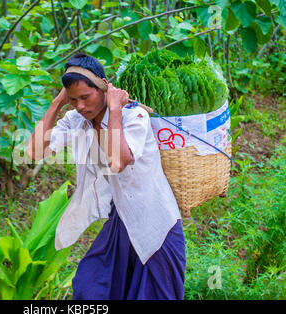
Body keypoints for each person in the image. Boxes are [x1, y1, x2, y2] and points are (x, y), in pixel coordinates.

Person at [26, 53, 186, 300]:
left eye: (85, 97)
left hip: (156, 226)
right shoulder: (76, 120)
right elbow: (34, 151)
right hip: (121, 223)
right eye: (73, 99)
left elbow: (118, 161)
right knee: (89, 288)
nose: (79, 106)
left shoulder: (135, 117)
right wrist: (56, 104)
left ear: (103, 87)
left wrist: (114, 109)